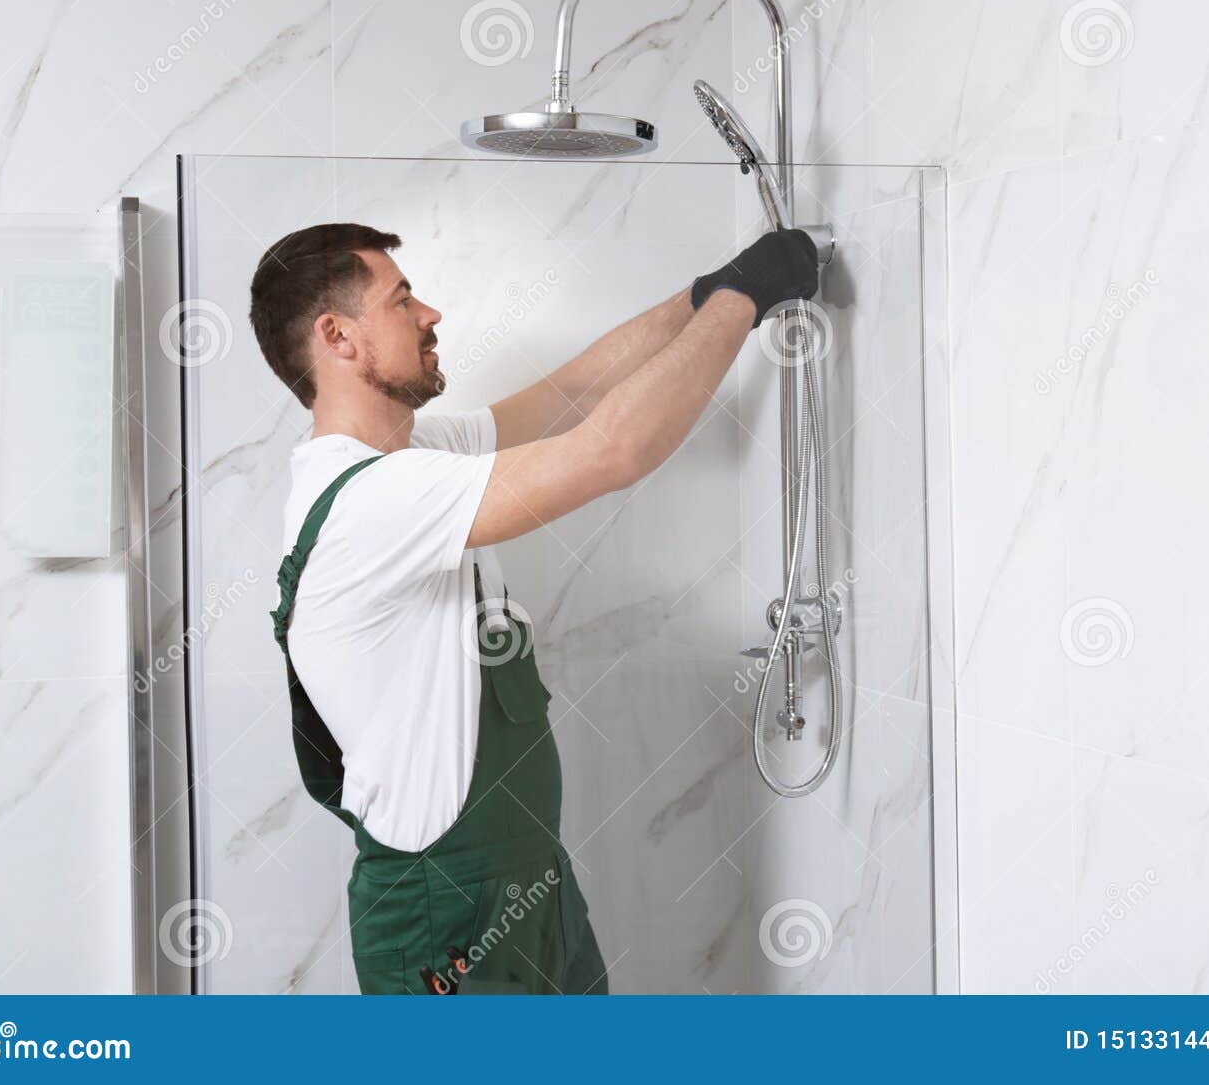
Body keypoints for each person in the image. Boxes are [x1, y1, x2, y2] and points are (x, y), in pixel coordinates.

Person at [250, 222, 818, 994]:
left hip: (526, 884)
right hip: (444, 917)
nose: (430, 315)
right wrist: (746, 298)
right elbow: (613, 448)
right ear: (338, 337)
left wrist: (706, 291)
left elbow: (574, 397)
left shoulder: (413, 458)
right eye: (402, 299)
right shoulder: (371, 502)